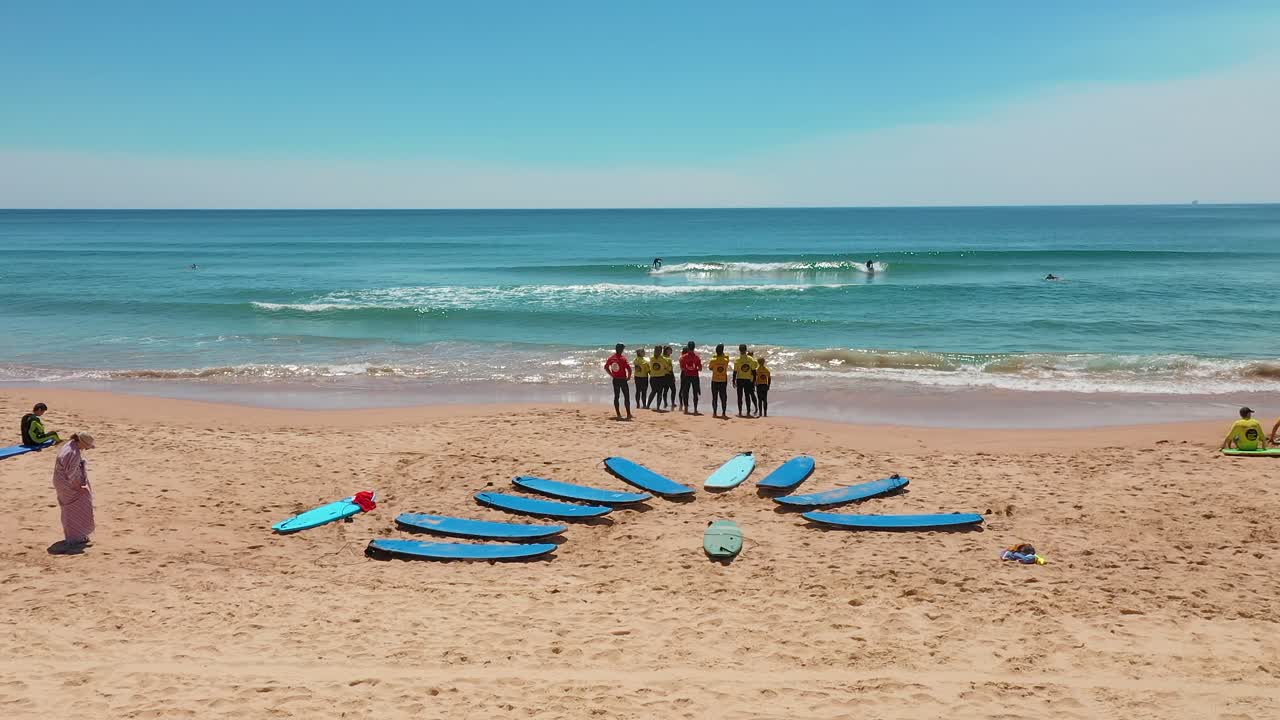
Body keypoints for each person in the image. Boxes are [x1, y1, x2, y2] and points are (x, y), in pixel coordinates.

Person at [52, 432, 96, 548]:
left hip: (60, 481)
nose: (87, 449)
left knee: (68, 508)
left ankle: (75, 535)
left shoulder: (69, 445)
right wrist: (79, 487)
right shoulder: (74, 453)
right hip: (67, 485)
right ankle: (75, 537)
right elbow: (71, 475)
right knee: (78, 506)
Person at [603, 344, 633, 421]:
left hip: (615, 380)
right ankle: (628, 414)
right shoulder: (623, 359)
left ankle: (618, 414)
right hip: (623, 380)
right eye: (623, 349)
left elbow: (606, 367)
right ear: (621, 349)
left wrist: (611, 374)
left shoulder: (611, 358)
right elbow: (629, 369)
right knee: (626, 397)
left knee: (617, 397)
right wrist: (629, 377)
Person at [734, 344, 759, 418]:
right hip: (748, 380)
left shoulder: (737, 360)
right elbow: (754, 372)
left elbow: (735, 372)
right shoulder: (751, 359)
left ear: (739, 350)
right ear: (746, 350)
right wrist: (754, 381)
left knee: (739, 396)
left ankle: (740, 412)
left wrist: (733, 380)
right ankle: (748, 412)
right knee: (747, 396)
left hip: (739, 379)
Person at [679, 341, 703, 415]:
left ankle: (686, 409)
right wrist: (694, 369)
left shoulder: (683, 357)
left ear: (688, 347)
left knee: (686, 392)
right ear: (694, 347)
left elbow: (682, 368)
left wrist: (687, 369)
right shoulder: (697, 357)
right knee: (695, 393)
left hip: (686, 376)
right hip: (695, 376)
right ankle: (695, 409)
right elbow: (700, 369)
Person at [708, 344, 731, 419]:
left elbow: (710, 368)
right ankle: (723, 413)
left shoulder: (713, 360)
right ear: (722, 352)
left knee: (714, 397)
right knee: (723, 397)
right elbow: (727, 357)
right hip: (723, 380)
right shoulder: (726, 360)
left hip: (715, 380)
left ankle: (714, 413)